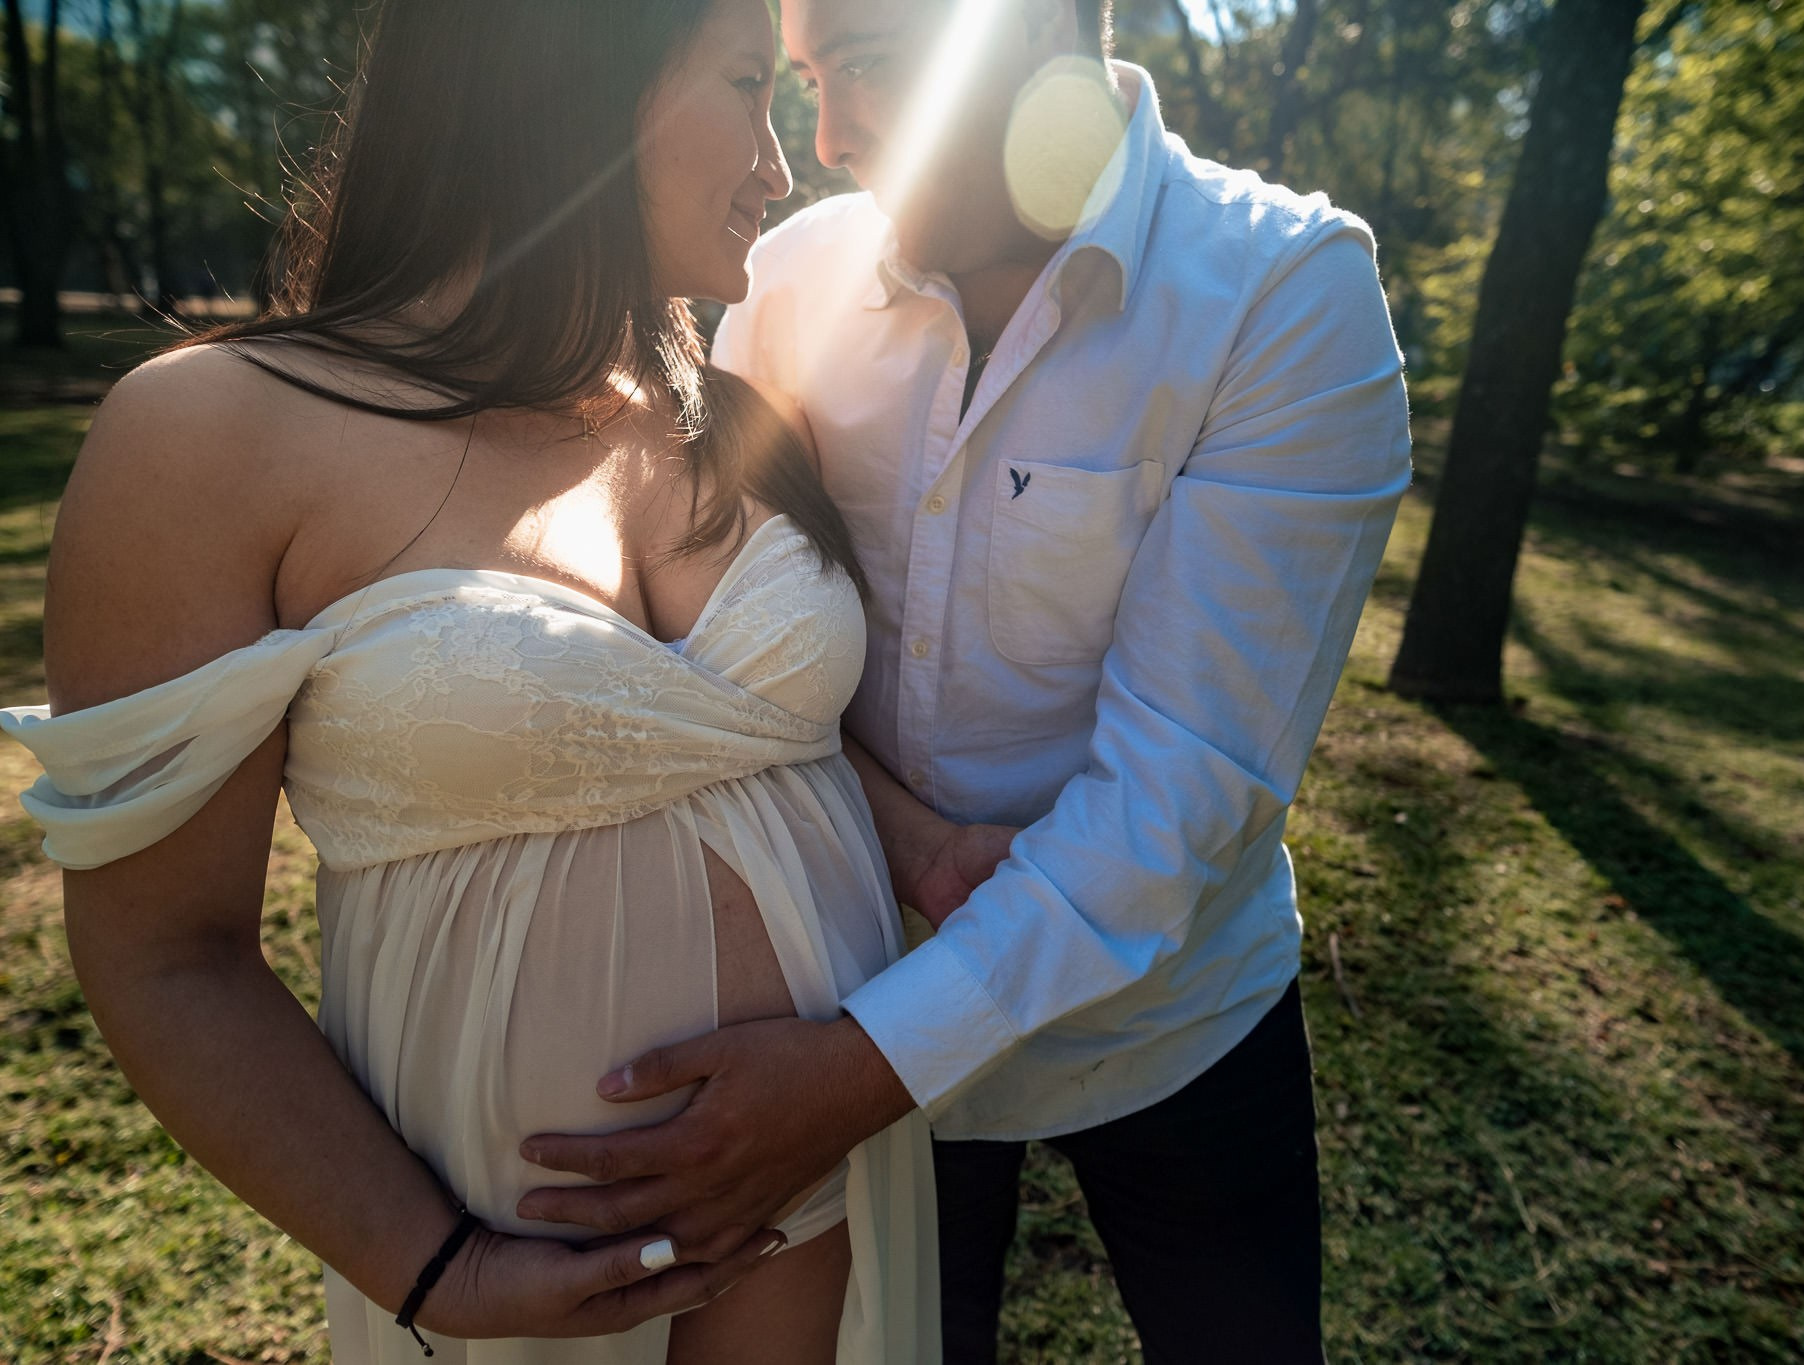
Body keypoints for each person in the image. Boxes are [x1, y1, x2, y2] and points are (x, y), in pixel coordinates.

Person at [0, 0, 965, 1359]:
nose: (779, 163)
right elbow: (166, 953)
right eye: (748, 84)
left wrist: (925, 849)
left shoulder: (739, 420)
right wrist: (440, 1267)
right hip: (507, 1261)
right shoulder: (214, 433)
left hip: (829, 1202)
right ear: (569, 75)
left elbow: (778, 745)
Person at [508, 0, 1413, 1357]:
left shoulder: (1284, 294)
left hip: (1172, 1019)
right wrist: (907, 862)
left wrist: (853, 1075)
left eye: (869, 65)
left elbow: (1181, 793)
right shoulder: (792, 283)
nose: (826, 140)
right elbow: (731, 660)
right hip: (857, 966)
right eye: (807, 78)